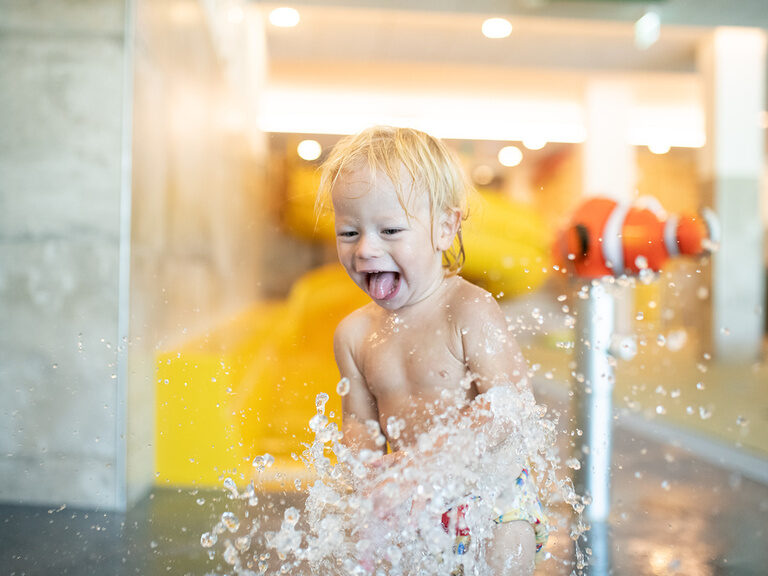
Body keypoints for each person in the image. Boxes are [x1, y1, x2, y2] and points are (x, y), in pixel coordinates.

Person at [317, 126, 547, 575]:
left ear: (444, 228)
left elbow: (510, 404)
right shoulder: (353, 334)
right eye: (348, 232)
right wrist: (367, 477)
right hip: (413, 504)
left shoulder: (468, 309)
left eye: (390, 230)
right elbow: (359, 423)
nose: (365, 249)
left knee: (504, 555)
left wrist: (433, 458)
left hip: (492, 499)